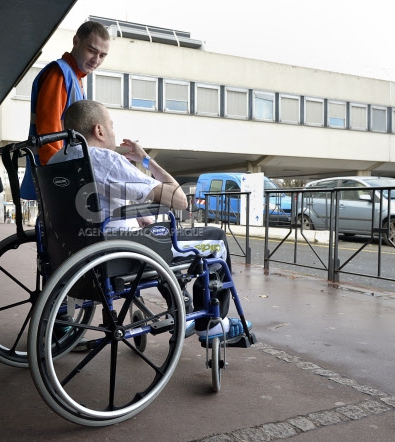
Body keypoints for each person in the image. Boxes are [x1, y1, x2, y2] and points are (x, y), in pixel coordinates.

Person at [51, 100, 249, 340]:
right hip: (118, 254)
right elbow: (179, 199)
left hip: (74, 252)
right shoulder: (105, 159)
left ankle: (181, 308)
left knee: (156, 231)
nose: (114, 132)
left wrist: (138, 214)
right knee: (216, 239)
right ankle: (211, 324)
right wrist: (145, 159)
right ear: (99, 130)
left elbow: (98, 200)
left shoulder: (57, 161)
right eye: (111, 126)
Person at [19, 20, 111, 200]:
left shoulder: (74, 78)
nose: (96, 60)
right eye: (92, 51)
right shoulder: (60, 74)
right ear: (76, 41)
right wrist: (57, 182)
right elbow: (49, 133)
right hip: (56, 178)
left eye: (102, 55)